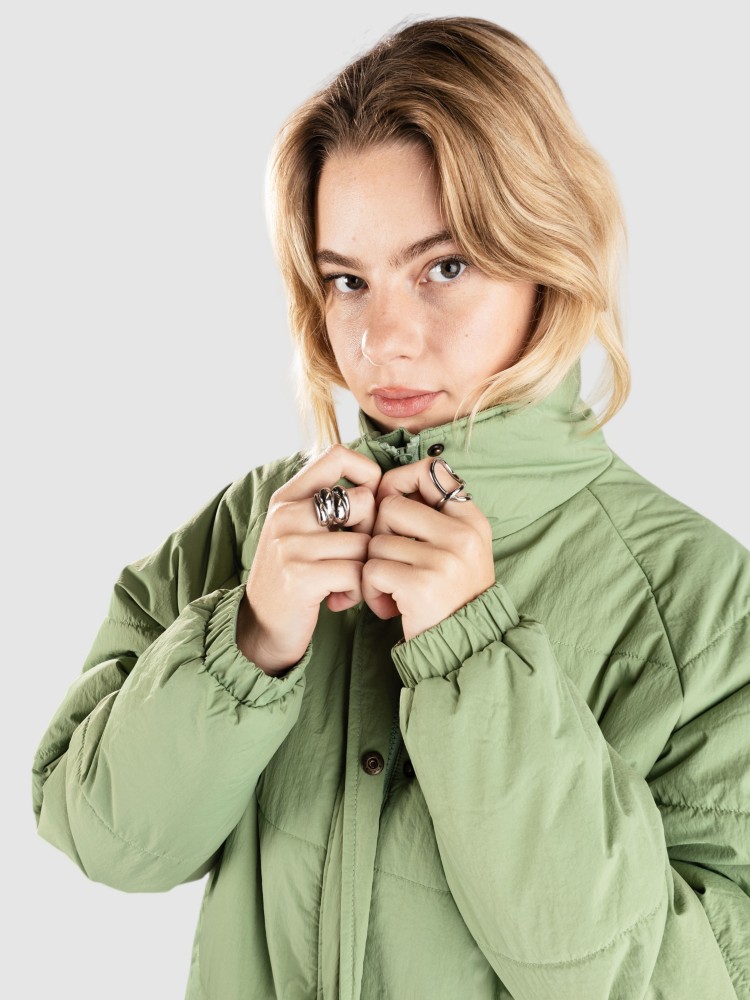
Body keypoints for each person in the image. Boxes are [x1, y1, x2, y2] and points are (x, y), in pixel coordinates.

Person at [32, 15, 749, 1000]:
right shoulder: (252, 530)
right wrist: (249, 641)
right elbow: (102, 840)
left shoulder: (703, 605)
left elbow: (687, 983)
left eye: (444, 267)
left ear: (547, 251)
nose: (381, 340)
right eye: (348, 281)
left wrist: (474, 658)